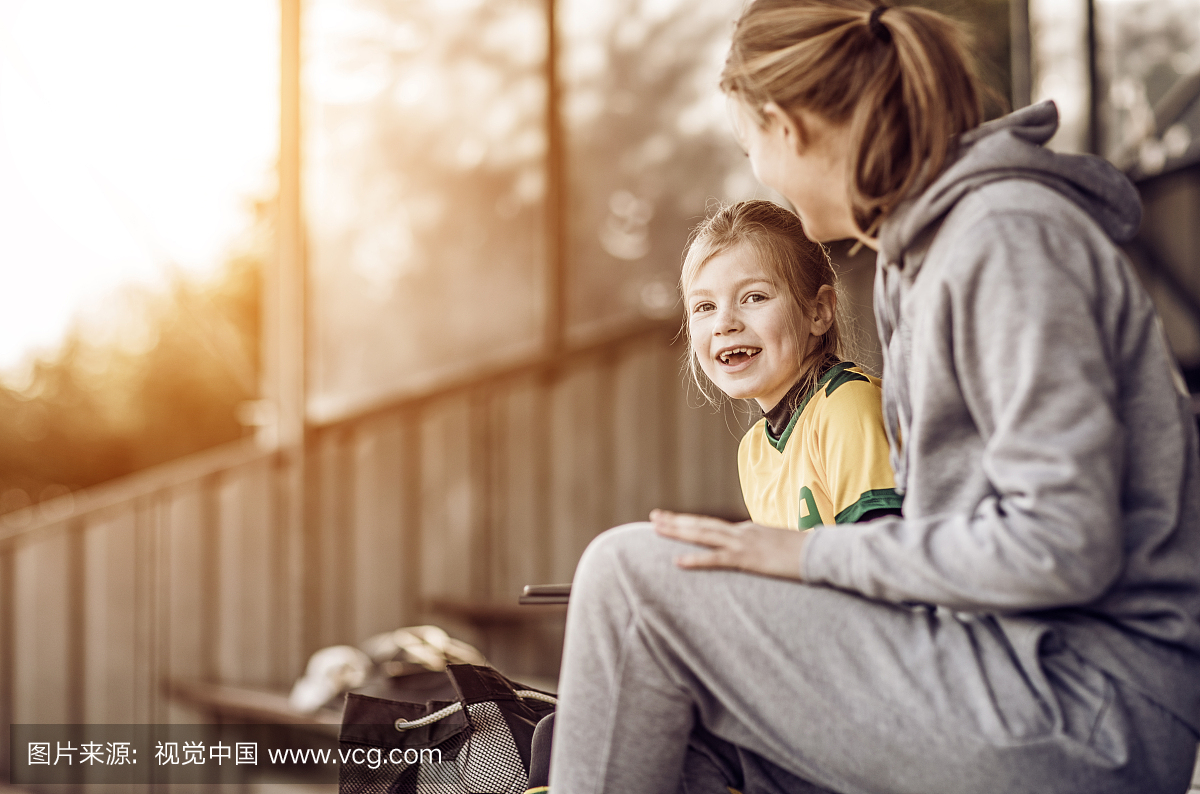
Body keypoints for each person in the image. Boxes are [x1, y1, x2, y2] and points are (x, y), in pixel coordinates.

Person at [548, 2, 1200, 793]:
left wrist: (808, 554)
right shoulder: (919, 256)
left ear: (788, 128)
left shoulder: (1005, 237)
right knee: (679, 733)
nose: (761, 173)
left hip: (1083, 707)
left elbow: (1061, 540)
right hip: (1000, 667)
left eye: (749, 143)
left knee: (627, 576)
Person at [682, 199, 901, 531]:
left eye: (754, 297)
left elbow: (879, 560)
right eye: (705, 306)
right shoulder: (754, 450)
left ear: (818, 311)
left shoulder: (846, 406)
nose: (723, 323)